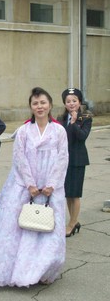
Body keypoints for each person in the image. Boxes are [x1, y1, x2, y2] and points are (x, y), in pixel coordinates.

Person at [0, 87, 68, 287]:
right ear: (31, 107)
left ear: (50, 105)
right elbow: (19, 158)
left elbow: (62, 158)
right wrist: (30, 184)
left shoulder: (59, 131)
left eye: (43, 102)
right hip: (25, 186)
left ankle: (42, 271)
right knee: (18, 229)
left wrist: (51, 184)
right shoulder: (24, 131)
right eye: (35, 103)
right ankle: (14, 270)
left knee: (47, 231)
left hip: (51, 188)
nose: (39, 106)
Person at [59, 87, 91, 238]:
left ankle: (72, 223)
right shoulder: (60, 118)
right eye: (68, 101)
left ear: (79, 102)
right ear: (64, 103)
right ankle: (73, 221)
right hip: (63, 160)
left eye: (74, 101)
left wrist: (73, 123)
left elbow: (82, 137)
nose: (71, 104)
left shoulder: (85, 118)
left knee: (75, 194)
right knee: (67, 193)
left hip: (78, 159)